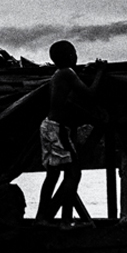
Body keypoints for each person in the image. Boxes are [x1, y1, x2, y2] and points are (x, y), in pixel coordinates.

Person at [36, 41, 105, 223]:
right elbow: (90, 94)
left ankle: (41, 218)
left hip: (48, 126)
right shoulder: (67, 73)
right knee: (74, 173)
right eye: (74, 53)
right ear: (70, 56)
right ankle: (66, 222)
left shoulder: (59, 74)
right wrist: (100, 72)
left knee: (53, 175)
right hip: (58, 128)